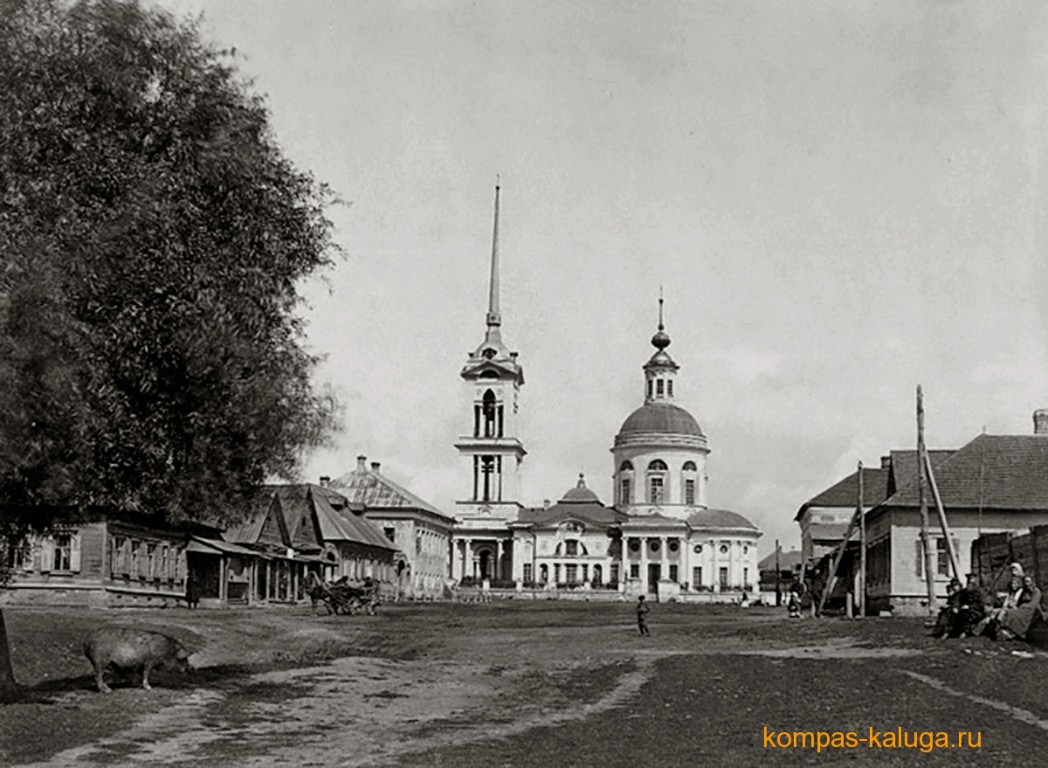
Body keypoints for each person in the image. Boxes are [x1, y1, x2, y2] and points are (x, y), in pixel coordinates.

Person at [1000, 575, 1043, 641]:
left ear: (1032, 581)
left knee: (1022, 616)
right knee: (1011, 612)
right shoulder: (1025, 591)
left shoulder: (1036, 591)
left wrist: (1024, 606)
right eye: (1025, 582)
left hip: (1034, 609)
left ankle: (1017, 632)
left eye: (1028, 581)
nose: (1027, 583)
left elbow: (1034, 603)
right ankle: (1007, 630)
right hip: (1023, 607)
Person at [954, 573, 986, 638]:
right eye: (968, 581)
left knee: (966, 613)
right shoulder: (964, 592)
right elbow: (958, 599)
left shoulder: (980, 592)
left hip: (977, 612)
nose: (970, 582)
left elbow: (982, 604)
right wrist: (956, 607)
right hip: (964, 609)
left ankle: (965, 632)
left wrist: (970, 607)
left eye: (972, 580)